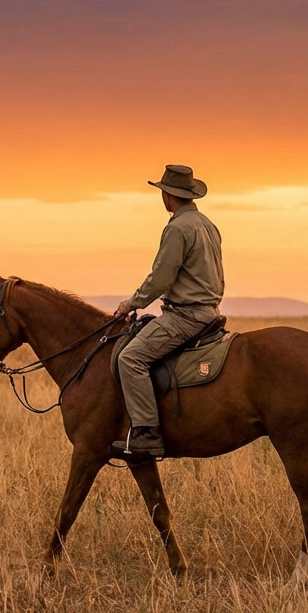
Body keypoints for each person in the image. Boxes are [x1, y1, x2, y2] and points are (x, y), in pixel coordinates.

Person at [111, 164, 224, 460]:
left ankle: (147, 432)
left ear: (169, 196)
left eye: (163, 192)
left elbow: (161, 277)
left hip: (185, 316)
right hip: (210, 311)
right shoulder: (207, 225)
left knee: (130, 358)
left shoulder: (177, 228)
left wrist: (131, 303)